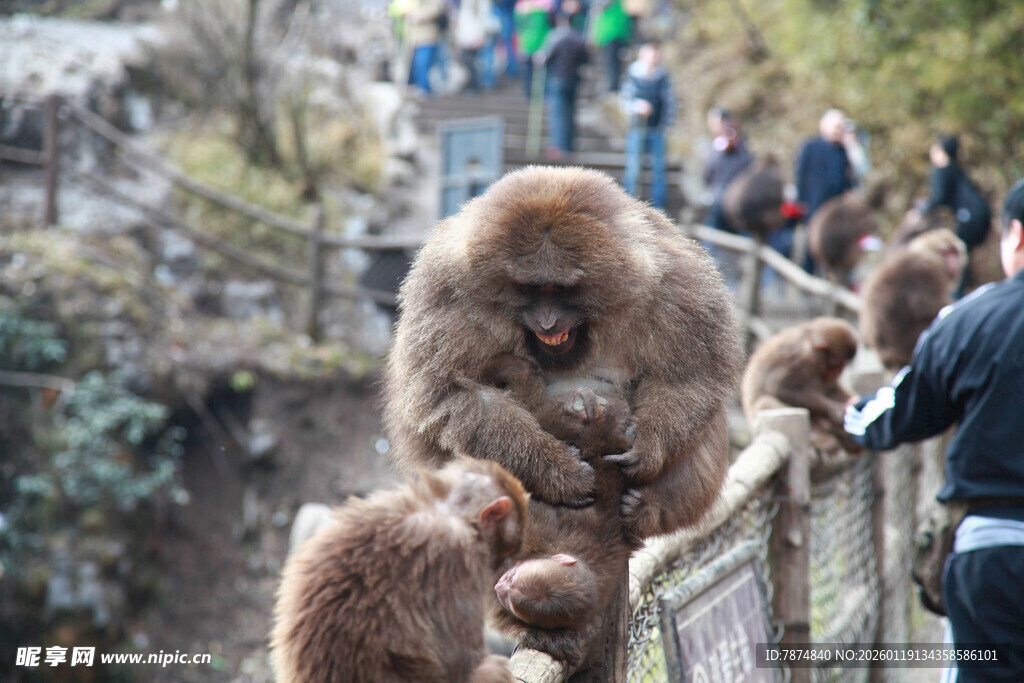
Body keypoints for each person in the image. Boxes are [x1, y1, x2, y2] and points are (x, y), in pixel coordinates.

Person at [844, 179, 1024, 682]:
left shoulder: (971, 319)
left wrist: (850, 415)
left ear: (1015, 236)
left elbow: (902, 413)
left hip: (997, 553)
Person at [776, 108, 866, 271]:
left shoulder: (845, 151)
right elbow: (800, 176)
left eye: (841, 126)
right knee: (809, 252)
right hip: (813, 208)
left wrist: (851, 145)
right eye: (835, 126)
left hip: (836, 214)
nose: (838, 130)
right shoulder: (811, 146)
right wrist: (801, 203)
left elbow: (856, 175)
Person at [917, 135, 992, 296]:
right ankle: (959, 292)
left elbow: (939, 198)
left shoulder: (943, 170)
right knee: (962, 255)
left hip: (968, 219)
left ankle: (955, 295)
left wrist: (921, 211)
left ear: (941, 151)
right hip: (979, 218)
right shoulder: (957, 170)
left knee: (958, 254)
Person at [619, 41, 673, 210]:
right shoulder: (633, 75)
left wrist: (666, 125)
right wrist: (637, 107)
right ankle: (629, 204)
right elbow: (625, 100)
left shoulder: (663, 78)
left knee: (658, 171)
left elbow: (670, 103)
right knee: (633, 168)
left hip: (657, 129)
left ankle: (659, 207)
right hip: (637, 128)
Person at [538, 7, 588, 159]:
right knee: (570, 113)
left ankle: (559, 146)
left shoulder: (556, 37)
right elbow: (585, 59)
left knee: (558, 114)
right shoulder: (578, 38)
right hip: (573, 80)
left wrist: (540, 59)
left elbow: (546, 57)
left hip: (557, 79)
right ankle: (569, 145)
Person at [701, 108, 754, 233]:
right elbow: (706, 176)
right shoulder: (713, 153)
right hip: (717, 204)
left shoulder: (745, 156)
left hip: (738, 207)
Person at [454, 0, 498, 92]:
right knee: (469, 61)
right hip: (467, 36)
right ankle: (474, 83)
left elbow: (483, 17)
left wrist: (479, 35)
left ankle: (482, 83)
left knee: (480, 61)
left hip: (476, 36)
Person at [405, 0, 447, 95]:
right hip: (414, 38)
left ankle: (425, 89)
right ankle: (420, 88)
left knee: (423, 65)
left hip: (427, 36)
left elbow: (435, 10)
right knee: (416, 66)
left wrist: (417, 16)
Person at [514, 0, 553, 99]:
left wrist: (545, 47)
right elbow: (519, 29)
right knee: (527, 74)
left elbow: (547, 28)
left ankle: (545, 96)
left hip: (541, 46)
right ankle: (529, 96)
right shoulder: (521, 8)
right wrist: (520, 46)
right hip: (527, 46)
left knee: (543, 75)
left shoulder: (544, 9)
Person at [590, 0, 631, 93]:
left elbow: (601, 6)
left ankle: (613, 86)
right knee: (610, 62)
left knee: (611, 62)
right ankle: (612, 85)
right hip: (608, 33)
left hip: (612, 32)